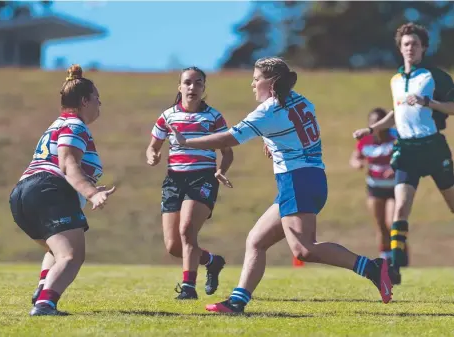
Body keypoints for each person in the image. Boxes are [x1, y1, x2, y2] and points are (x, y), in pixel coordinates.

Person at [168, 57, 397, 314]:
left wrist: (187, 142)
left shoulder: (268, 110)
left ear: (272, 82)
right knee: (256, 240)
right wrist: (273, 140)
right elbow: (298, 130)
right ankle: (237, 302)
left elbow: (231, 137)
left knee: (304, 249)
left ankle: (372, 268)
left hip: (297, 180)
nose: (252, 84)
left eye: (256, 79)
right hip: (310, 178)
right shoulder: (300, 99)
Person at [9, 65, 116, 316]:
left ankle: (43, 290)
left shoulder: (57, 124)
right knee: (71, 255)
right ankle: (45, 304)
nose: (100, 103)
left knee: (55, 250)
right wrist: (91, 193)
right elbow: (68, 164)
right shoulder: (75, 126)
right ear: (84, 101)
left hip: (23, 193)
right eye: (97, 98)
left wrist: (84, 188)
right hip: (48, 189)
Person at [353, 23, 454, 284]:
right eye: (406, 44)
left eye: (415, 44)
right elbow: (395, 113)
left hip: (433, 147)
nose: (410, 48)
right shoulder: (396, 80)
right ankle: (394, 269)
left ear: (423, 48)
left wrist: (428, 102)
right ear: (400, 48)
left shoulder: (435, 76)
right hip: (406, 150)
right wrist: (371, 128)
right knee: (400, 210)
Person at [146, 66, 233, 300]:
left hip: (202, 177)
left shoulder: (213, 117)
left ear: (204, 88)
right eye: (187, 82)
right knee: (174, 246)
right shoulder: (167, 116)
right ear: (180, 87)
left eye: (198, 83)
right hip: (174, 180)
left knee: (187, 229)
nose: (192, 87)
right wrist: (152, 156)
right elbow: (153, 147)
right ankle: (212, 262)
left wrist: (221, 171)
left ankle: (188, 288)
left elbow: (227, 152)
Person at [350, 108, 397, 261]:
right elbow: (355, 158)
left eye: (379, 122)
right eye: (372, 123)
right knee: (381, 226)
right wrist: (357, 163)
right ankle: (385, 260)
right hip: (375, 188)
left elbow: (408, 156)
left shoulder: (395, 138)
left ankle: (400, 258)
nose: (376, 126)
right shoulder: (365, 141)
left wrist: (394, 168)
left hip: (394, 188)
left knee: (393, 224)